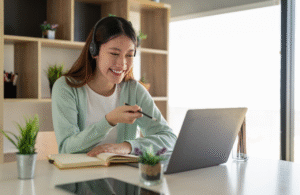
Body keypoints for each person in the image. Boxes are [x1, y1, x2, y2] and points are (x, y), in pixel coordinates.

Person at [51, 16, 177, 156]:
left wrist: (127, 146)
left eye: (129, 55)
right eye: (114, 53)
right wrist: (109, 121)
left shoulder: (134, 90)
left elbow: (169, 139)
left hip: (121, 174)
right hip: (78, 175)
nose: (122, 64)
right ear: (94, 51)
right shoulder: (65, 88)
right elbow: (66, 148)